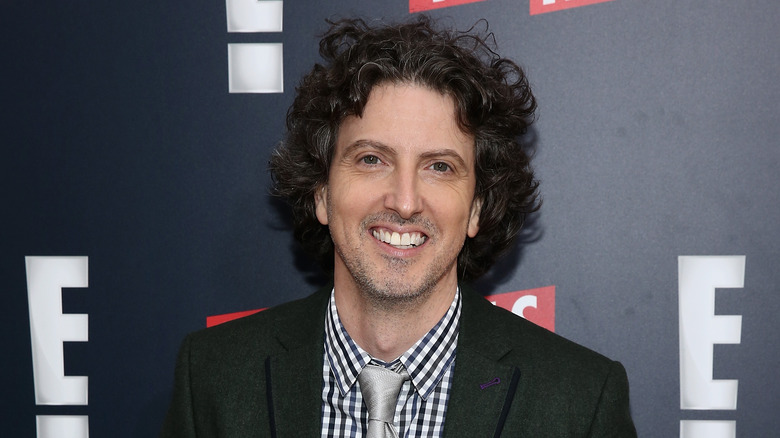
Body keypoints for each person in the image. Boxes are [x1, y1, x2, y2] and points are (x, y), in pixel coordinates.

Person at [161, 15, 637, 437]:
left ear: (476, 209)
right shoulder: (213, 379)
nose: (405, 202)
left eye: (440, 167)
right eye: (372, 159)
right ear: (321, 192)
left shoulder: (580, 403)